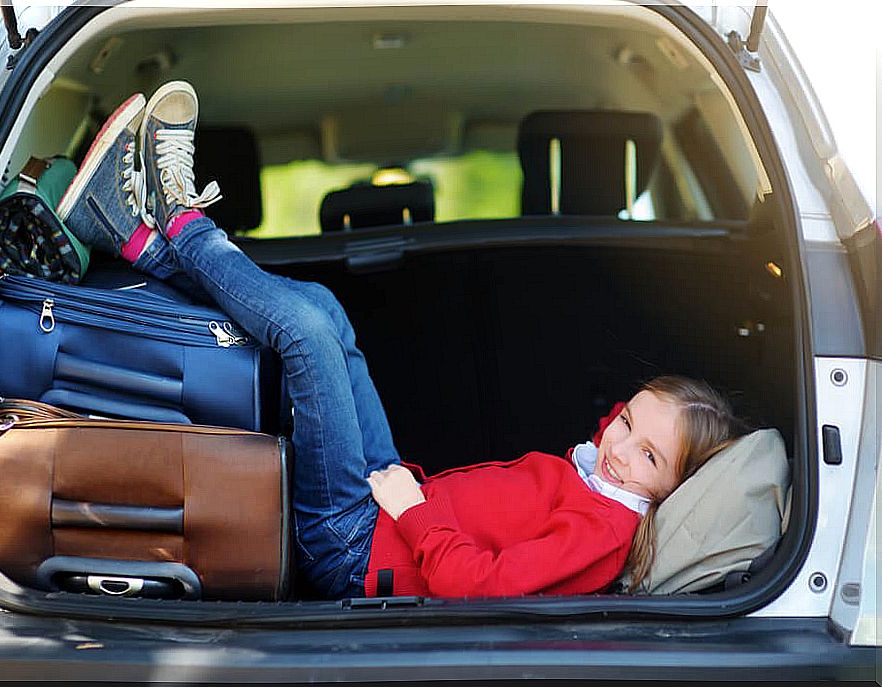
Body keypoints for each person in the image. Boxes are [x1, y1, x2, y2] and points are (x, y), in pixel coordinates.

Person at [56, 81, 744, 599]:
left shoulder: (604, 530)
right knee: (325, 309)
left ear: (675, 488)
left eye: (649, 455)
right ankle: (128, 233)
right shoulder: (604, 471)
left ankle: (176, 217)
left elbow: (485, 588)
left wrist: (413, 516)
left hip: (356, 551)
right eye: (627, 420)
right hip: (390, 505)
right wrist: (409, 501)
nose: (621, 447)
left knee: (306, 333)